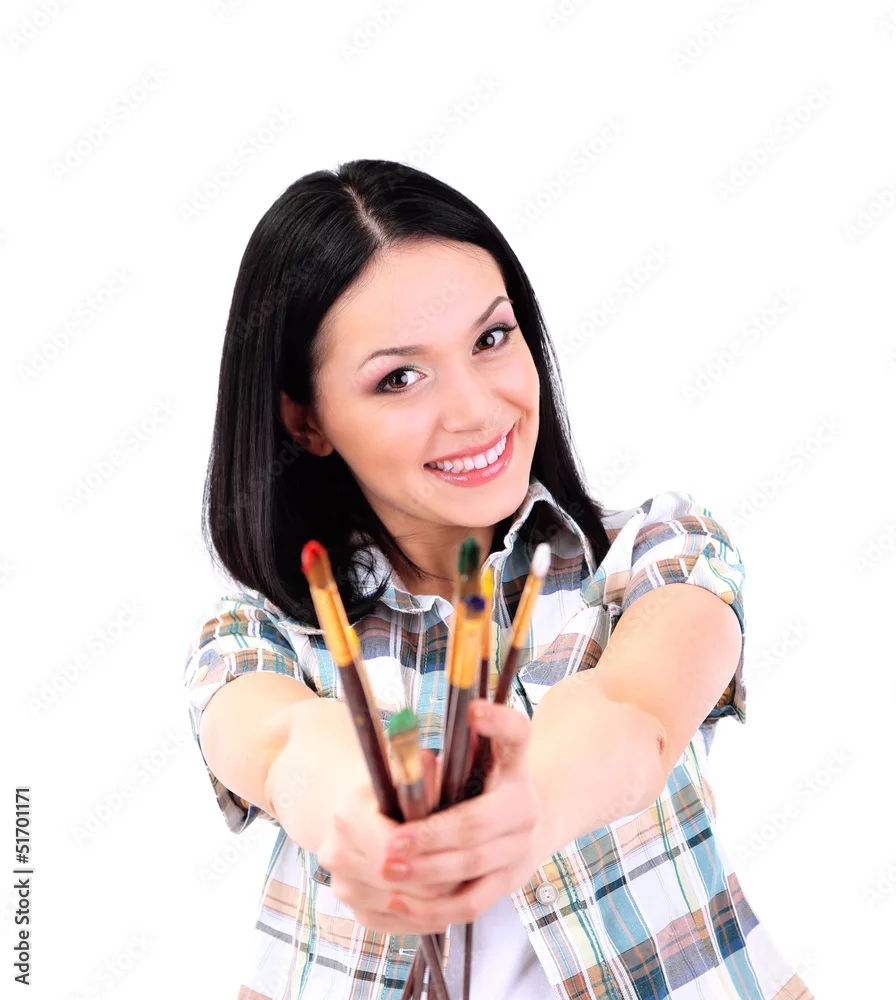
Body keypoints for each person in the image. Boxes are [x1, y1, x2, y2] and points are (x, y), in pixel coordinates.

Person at [182, 159, 814, 1000]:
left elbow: (632, 716)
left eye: (490, 339)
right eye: (399, 377)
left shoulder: (660, 552)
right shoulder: (255, 636)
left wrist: (528, 810)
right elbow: (285, 745)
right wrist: (356, 814)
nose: (478, 409)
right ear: (306, 420)